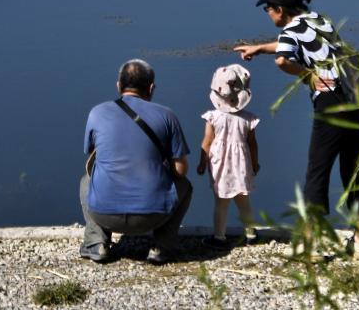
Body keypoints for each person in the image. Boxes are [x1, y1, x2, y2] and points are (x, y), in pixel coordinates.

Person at [234, 0, 359, 259]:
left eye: (268, 9)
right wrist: (259, 48)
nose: (268, 13)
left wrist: (308, 74)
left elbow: (283, 60)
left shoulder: (288, 31)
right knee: (354, 170)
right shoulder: (319, 20)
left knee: (317, 172)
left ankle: (313, 244)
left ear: (280, 10)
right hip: (357, 98)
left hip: (331, 102)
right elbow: (299, 42)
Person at [80, 59, 192, 264]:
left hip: (104, 214)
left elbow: (92, 155)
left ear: (118, 86)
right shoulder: (167, 115)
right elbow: (181, 170)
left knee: (86, 181)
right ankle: (162, 247)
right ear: (151, 88)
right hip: (152, 216)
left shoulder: (97, 112)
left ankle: (96, 243)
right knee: (185, 186)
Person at [197, 64, 259, 249]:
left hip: (220, 165)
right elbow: (252, 144)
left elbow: (207, 142)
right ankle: (251, 234)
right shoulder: (248, 118)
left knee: (221, 202)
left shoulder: (213, 117)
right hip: (242, 164)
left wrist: (202, 164)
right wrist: (255, 163)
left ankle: (219, 237)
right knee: (243, 201)